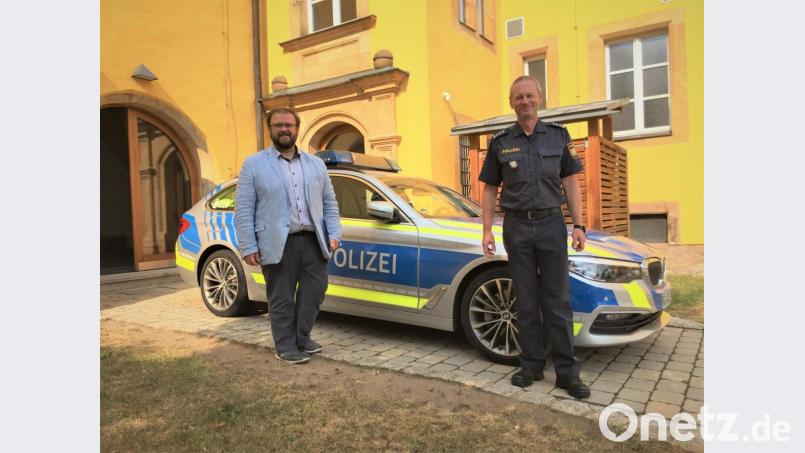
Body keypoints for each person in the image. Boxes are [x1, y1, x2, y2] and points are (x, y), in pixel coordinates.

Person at [478, 75, 590, 399]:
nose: (524, 102)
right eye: (518, 98)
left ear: (539, 98)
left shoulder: (558, 136)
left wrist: (579, 225)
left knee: (558, 301)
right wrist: (486, 229)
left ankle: (567, 374)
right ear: (511, 103)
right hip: (516, 227)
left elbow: (571, 183)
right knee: (525, 300)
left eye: (529, 96)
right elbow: (488, 189)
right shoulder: (500, 143)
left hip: (551, 225)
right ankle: (531, 365)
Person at [234, 107, 341, 364]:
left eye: (289, 125)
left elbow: (329, 202)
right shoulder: (254, 164)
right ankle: (285, 346)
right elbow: (244, 207)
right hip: (277, 242)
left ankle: (301, 337)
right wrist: (248, 245)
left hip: (313, 240)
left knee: (315, 292)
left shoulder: (316, 164)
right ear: (270, 129)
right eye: (278, 125)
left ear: (297, 129)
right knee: (281, 296)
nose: (284, 129)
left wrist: (334, 232)